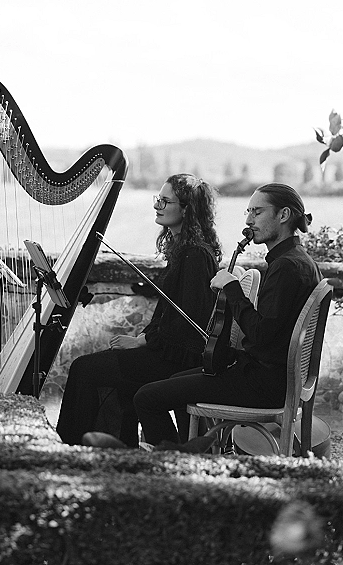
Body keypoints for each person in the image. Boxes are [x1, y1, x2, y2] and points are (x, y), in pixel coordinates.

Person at [131, 183, 322, 447]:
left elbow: (260, 334)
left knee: (146, 397)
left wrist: (233, 290)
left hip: (264, 386)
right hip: (273, 379)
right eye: (248, 211)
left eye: (257, 212)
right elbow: (270, 335)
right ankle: (193, 453)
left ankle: (175, 464)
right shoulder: (297, 261)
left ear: (284, 215)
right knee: (176, 381)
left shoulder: (286, 268)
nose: (248, 219)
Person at [56, 173, 222, 446]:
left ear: (187, 209)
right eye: (158, 199)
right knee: (99, 371)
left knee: (84, 370)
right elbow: (170, 314)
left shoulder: (194, 255)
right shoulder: (185, 251)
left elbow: (186, 324)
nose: (157, 206)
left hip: (178, 360)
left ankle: (77, 449)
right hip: (168, 353)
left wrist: (140, 341)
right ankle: (119, 446)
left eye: (165, 201)